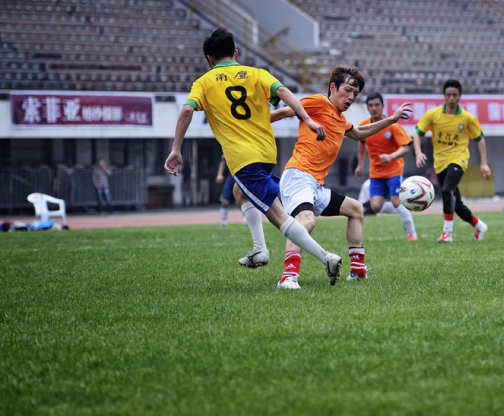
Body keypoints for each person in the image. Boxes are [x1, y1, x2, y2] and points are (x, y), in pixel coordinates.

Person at [164, 28, 342, 290]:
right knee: (239, 191)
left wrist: (176, 149)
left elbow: (186, 111)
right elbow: (284, 93)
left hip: (242, 158)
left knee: (278, 216)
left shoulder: (204, 82)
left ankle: (326, 257)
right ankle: (260, 250)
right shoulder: (257, 74)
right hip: (267, 153)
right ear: (236, 53)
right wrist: (307, 118)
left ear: (209, 59)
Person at [271, 66, 412, 285]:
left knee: (356, 209)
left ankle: (357, 271)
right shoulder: (319, 102)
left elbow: (359, 133)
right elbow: (282, 112)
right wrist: (249, 126)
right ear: (333, 87)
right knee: (305, 221)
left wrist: (392, 119)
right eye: (347, 91)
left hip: (315, 185)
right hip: (298, 176)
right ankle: (288, 277)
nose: (351, 97)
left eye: (355, 94)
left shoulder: (339, 119)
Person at [412, 79, 490, 243]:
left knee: (447, 191)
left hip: (459, 159)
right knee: (456, 204)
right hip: (440, 162)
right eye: (449, 95)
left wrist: (483, 163)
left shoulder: (467, 118)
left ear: (460, 96)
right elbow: (418, 133)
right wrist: (418, 153)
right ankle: (479, 225)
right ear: (444, 96)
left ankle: (447, 233)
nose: (452, 98)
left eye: (455, 95)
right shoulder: (433, 115)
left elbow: (480, 139)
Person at [354, 92, 418, 241]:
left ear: (382, 106)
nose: (374, 108)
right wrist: (359, 164)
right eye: (370, 105)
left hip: (394, 171)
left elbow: (406, 147)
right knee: (375, 206)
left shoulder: (392, 125)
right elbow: (361, 143)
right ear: (367, 107)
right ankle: (402, 208)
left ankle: (412, 233)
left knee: (396, 202)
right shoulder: (364, 126)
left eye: (377, 105)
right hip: (376, 173)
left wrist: (391, 156)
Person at [215, 155, 235, 226]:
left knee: (245, 198)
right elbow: (223, 162)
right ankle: (224, 220)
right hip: (231, 177)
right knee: (224, 199)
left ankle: (246, 219)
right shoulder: (228, 146)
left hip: (243, 176)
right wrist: (219, 174)